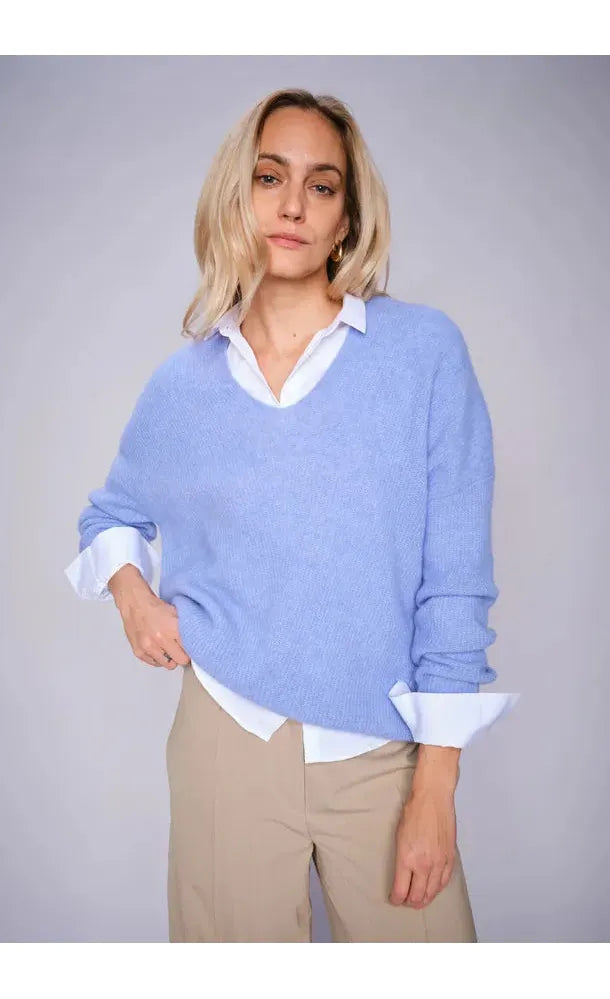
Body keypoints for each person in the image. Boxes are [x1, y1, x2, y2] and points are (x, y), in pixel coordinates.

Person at [65, 87, 519, 943]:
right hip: (225, 742)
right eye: (270, 177)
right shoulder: (184, 386)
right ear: (238, 196)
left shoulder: (422, 355)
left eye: (322, 185)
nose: (293, 205)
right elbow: (111, 514)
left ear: (347, 216)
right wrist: (133, 594)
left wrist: (436, 786)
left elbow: (455, 582)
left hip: (381, 752)